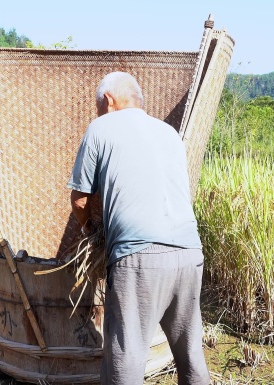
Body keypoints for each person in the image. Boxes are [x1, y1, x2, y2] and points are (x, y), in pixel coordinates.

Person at [67, 71, 210, 385]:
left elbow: (79, 199)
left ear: (108, 100)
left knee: (126, 360)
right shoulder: (169, 134)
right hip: (189, 253)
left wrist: (95, 231)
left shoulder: (101, 127)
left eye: (98, 107)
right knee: (190, 356)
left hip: (139, 257)